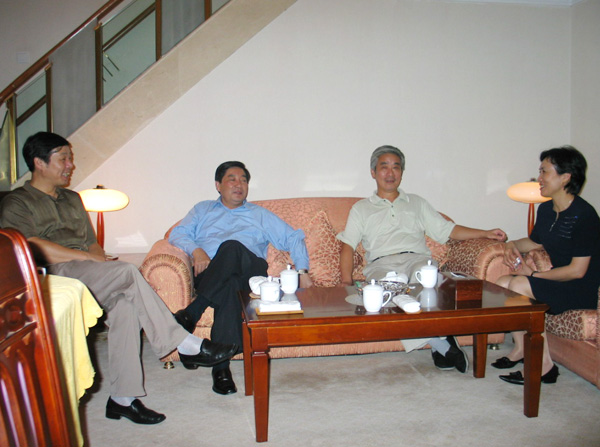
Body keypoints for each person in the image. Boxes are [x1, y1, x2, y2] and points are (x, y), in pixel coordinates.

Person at [0, 132, 238, 425]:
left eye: (70, 158)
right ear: (39, 162)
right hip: (51, 275)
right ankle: (183, 342)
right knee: (126, 271)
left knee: (126, 305)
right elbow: (30, 247)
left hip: (86, 271)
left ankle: (122, 399)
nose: (70, 165)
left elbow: (91, 242)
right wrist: (89, 259)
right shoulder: (17, 202)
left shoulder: (73, 199)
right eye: (63, 158)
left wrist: (96, 258)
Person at [337, 145, 507, 373]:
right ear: (373, 172)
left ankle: (440, 344)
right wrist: (346, 282)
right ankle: (443, 344)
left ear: (402, 172)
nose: (390, 173)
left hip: (416, 260)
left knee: (427, 283)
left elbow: (448, 230)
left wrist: (484, 233)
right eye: (384, 167)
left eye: (396, 167)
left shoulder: (417, 203)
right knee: (385, 298)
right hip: (381, 265)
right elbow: (348, 245)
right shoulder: (361, 209)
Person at [169, 161, 313, 395]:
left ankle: (192, 313)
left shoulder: (259, 214)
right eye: (232, 179)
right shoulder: (202, 210)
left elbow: (293, 237)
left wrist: (303, 271)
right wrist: (196, 251)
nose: (239, 185)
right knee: (230, 287)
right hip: (212, 274)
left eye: (244, 180)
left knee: (232, 247)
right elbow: (177, 234)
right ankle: (220, 369)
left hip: (250, 273)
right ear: (218, 185)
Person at [493, 145, 600, 385]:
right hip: (559, 281)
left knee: (519, 285)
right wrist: (511, 244)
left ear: (565, 177)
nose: (539, 178)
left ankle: (544, 366)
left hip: (582, 288)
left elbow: (578, 271)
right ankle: (521, 349)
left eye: (544, 172)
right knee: (502, 283)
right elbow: (534, 242)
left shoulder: (585, 215)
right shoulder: (546, 210)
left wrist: (534, 275)